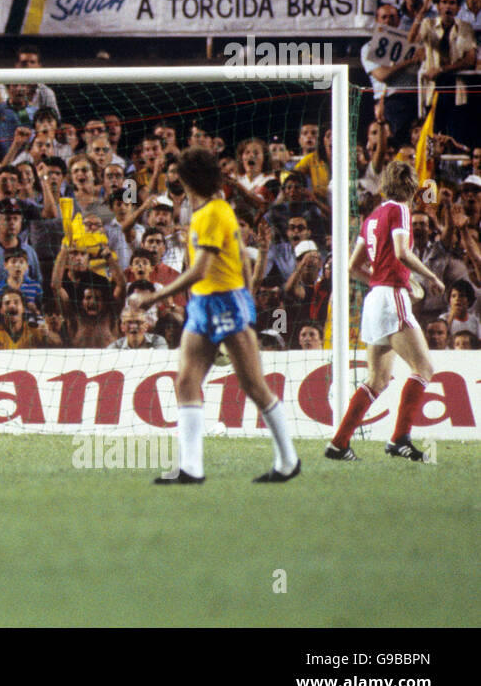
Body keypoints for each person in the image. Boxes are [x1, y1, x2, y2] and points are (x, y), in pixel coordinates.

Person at [132, 147, 301, 484]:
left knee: (253, 385)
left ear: (187, 178)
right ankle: (191, 468)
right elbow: (242, 256)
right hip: (205, 304)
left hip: (222, 302)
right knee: (186, 380)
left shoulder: (211, 214)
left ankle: (288, 460)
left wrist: (156, 296)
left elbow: (200, 269)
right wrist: (247, 293)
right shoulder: (212, 210)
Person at [327, 162, 445, 463]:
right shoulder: (400, 210)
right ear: (411, 186)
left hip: (374, 299)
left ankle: (339, 444)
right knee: (424, 369)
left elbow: (353, 266)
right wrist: (430, 277)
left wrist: (378, 281)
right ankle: (399, 439)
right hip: (392, 294)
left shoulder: (372, 217)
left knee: (377, 380)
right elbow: (403, 252)